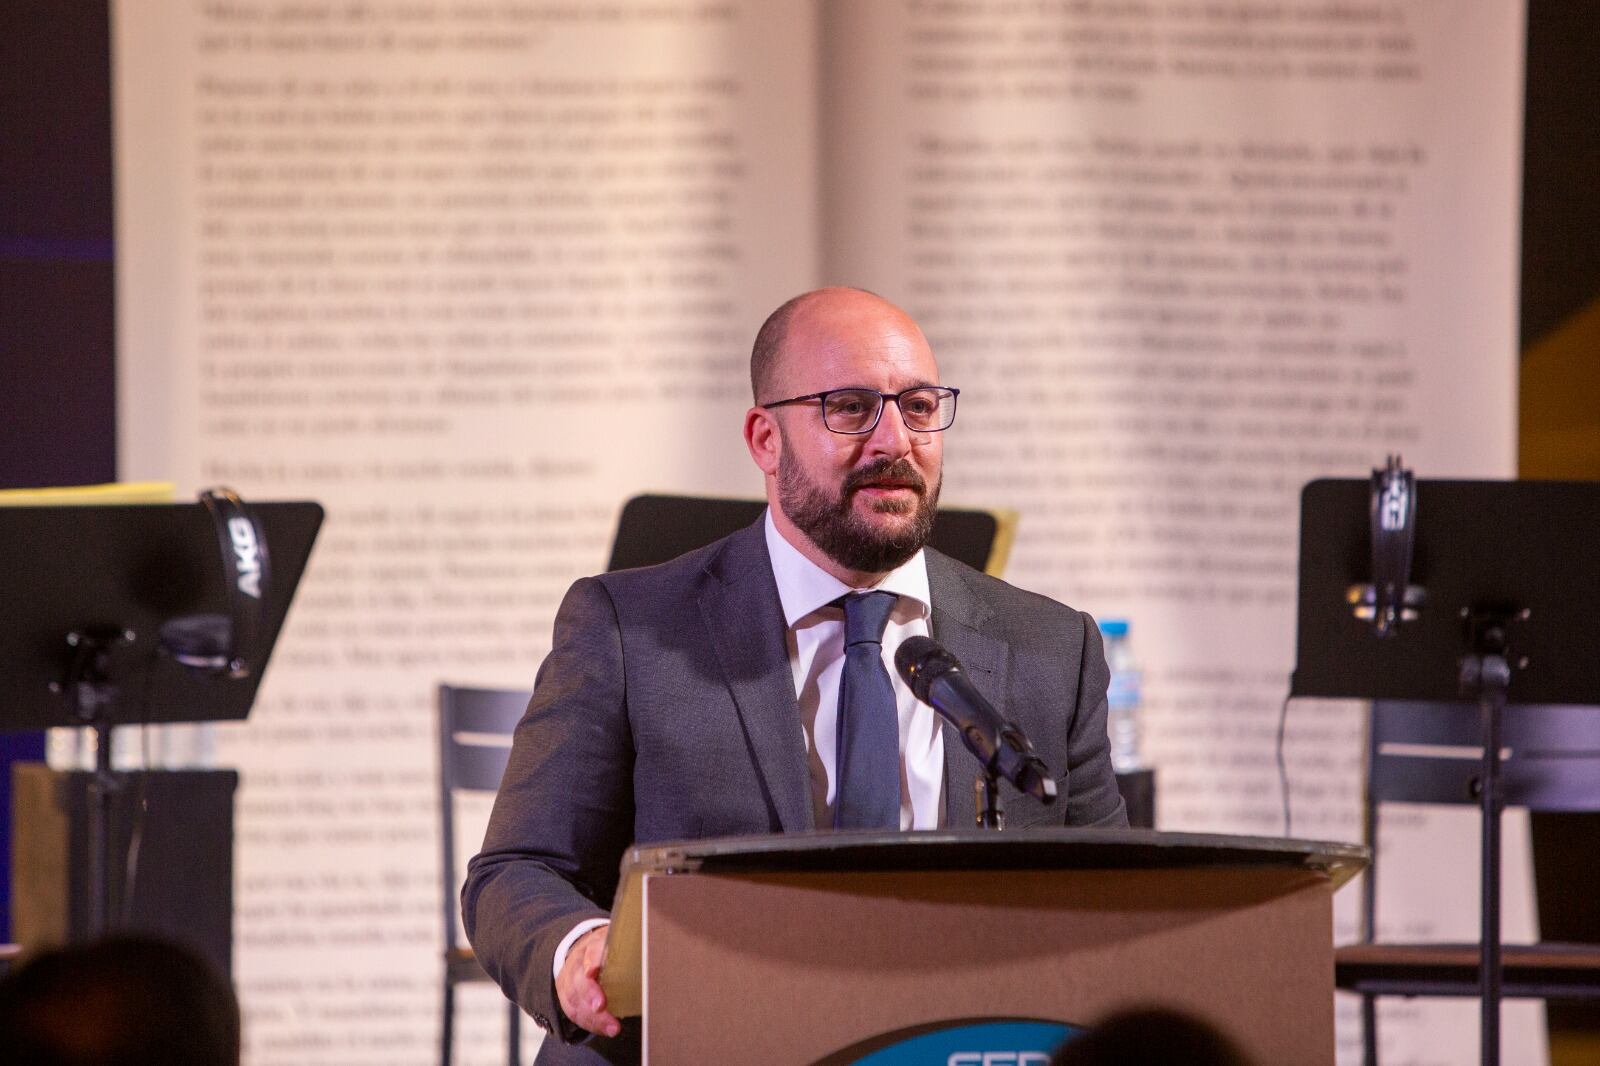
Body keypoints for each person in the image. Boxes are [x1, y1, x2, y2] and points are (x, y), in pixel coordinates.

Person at [463, 287, 1127, 1064]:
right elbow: (516, 873)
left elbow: (1115, 901)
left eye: (918, 406)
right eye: (850, 407)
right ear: (765, 439)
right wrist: (579, 950)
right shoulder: (627, 628)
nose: (895, 441)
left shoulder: (1052, 648)